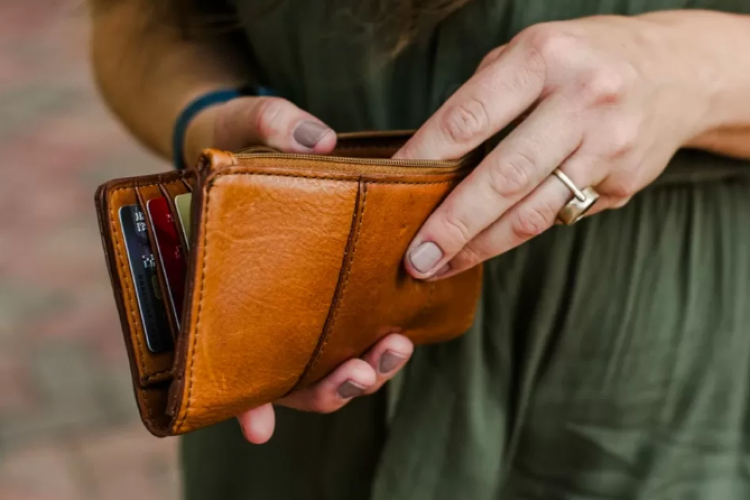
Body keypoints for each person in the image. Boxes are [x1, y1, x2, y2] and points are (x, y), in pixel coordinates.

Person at [88, 0, 750, 498]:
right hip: (298, 365)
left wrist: (677, 72)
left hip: (648, 391)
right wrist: (213, 121)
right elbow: (136, 18)